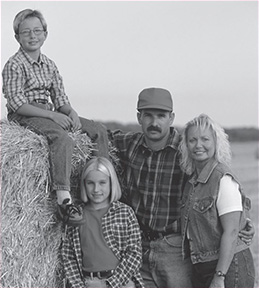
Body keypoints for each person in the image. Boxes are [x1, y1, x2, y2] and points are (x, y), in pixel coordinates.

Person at [108, 87, 255, 288]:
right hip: (139, 247)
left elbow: (225, 191)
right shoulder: (128, 144)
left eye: (161, 116)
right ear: (139, 117)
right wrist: (60, 114)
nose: (154, 123)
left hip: (176, 250)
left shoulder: (186, 151)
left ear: (171, 117)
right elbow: (97, 133)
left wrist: (243, 222)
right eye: (148, 116)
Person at [2, 9, 110, 225]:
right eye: (26, 32)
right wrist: (53, 116)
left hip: (51, 110)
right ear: (17, 37)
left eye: (37, 31)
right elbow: (16, 103)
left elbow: (60, 98)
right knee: (61, 138)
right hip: (26, 114)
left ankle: (103, 182)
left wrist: (70, 112)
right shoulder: (13, 64)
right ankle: (64, 199)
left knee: (98, 130)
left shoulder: (50, 65)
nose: (32, 36)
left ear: (45, 34)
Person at [179, 113, 255, 288]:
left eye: (205, 139)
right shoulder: (192, 183)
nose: (198, 145)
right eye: (192, 140)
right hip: (203, 267)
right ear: (186, 144)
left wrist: (220, 276)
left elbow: (232, 231)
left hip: (230, 267)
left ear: (216, 142)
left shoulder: (222, 179)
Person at [61, 157, 144, 288]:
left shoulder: (124, 212)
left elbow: (134, 253)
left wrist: (111, 284)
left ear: (112, 183)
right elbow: (68, 255)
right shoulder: (76, 215)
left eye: (102, 182)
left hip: (121, 282)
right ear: (84, 184)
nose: (96, 189)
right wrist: (79, 285)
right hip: (90, 282)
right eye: (90, 183)